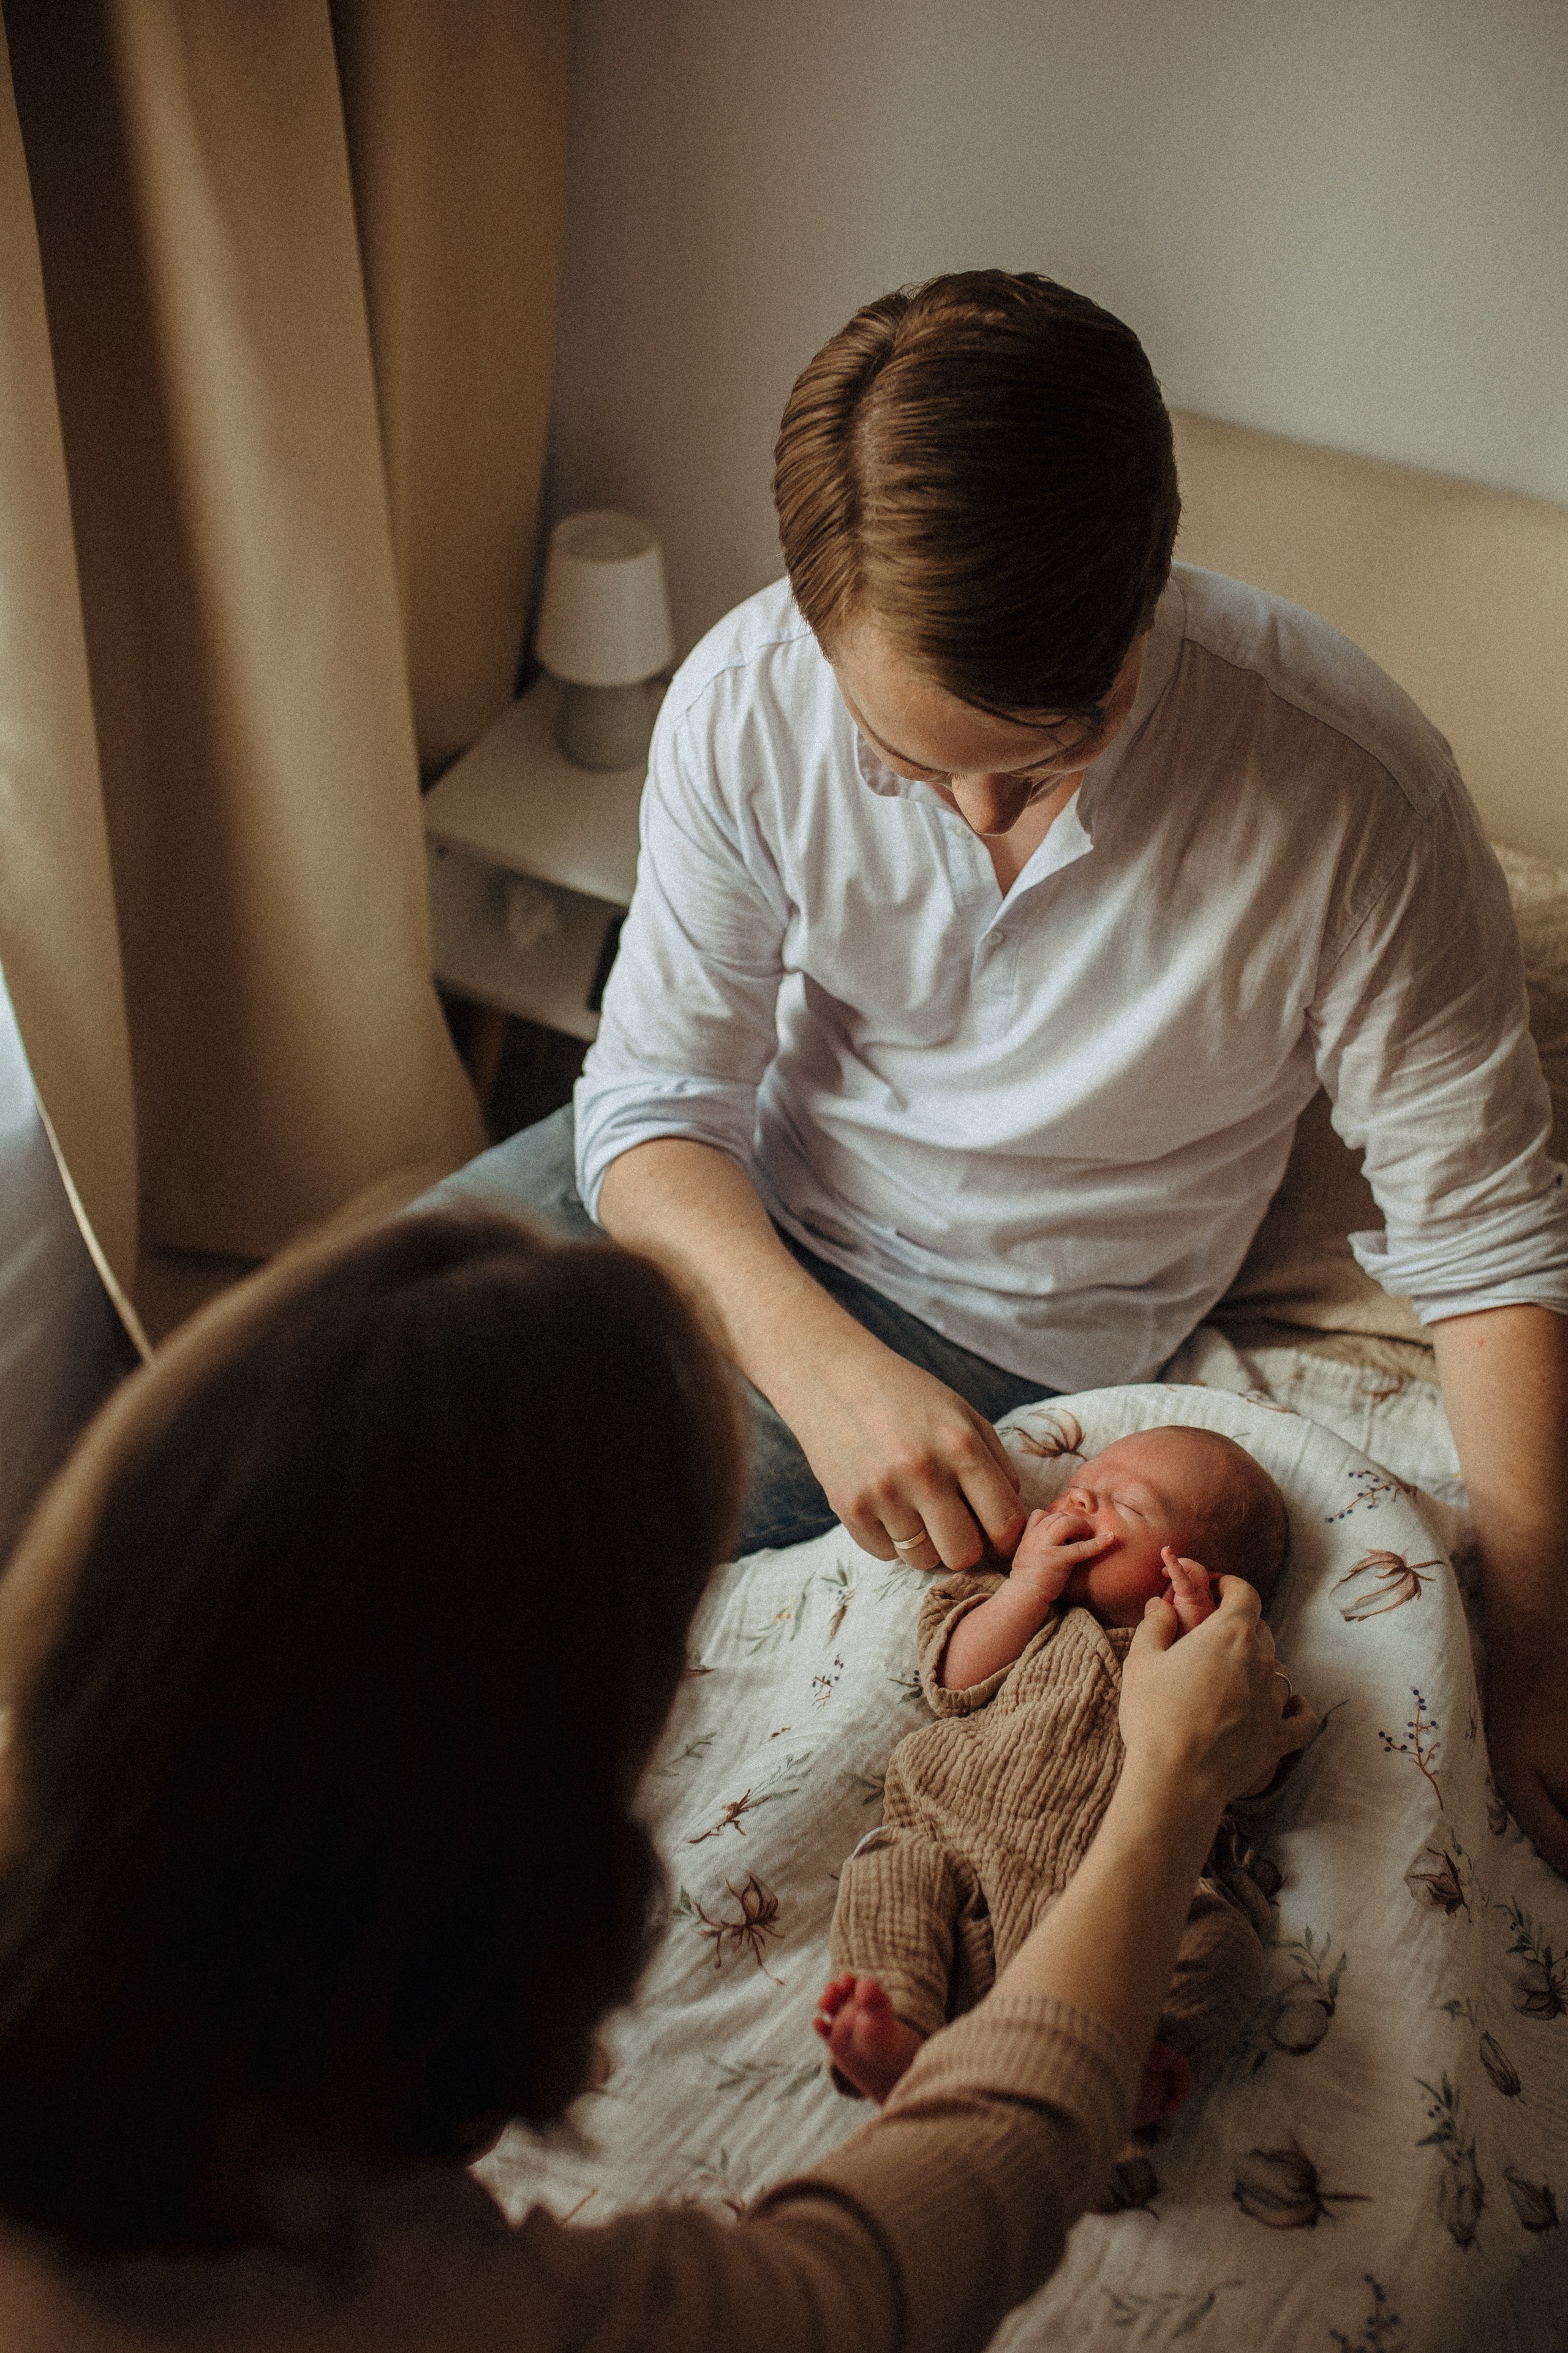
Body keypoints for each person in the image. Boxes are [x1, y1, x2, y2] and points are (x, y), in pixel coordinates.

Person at [439, 268, 1568, 1871]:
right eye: (910, 766)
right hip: (710, 1203)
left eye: (1044, 755)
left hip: (1004, 1318)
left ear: (1144, 600)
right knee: (326, 1405)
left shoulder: (1352, 796)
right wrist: (823, 1374)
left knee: (487, 1628)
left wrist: (1537, 1655)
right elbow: (652, 1105)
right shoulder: (744, 703)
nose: (980, 821)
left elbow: (1490, 1242)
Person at [0, 1206, 1314, 2351]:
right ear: (550, 1860)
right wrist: (1171, 1777)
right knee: (894, 1880)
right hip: (998, 1862)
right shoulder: (547, 2322)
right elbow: (995, 2164)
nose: (1084, 1506)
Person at [818, 1426, 1289, 2123]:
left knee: (1227, 1948)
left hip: (1140, 1896)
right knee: (890, 1871)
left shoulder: (1222, 1669)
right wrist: (1027, 1589)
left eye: (1121, 1504)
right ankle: (900, 2030)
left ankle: (1125, 2064)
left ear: (1194, 1577)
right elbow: (953, 1682)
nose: (1079, 1501)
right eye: (1080, 1486)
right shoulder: (1011, 1608)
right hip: (964, 1850)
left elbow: (1256, 1768)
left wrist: (1205, 1638)